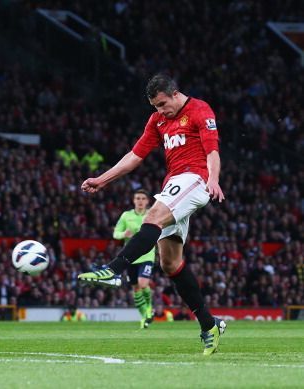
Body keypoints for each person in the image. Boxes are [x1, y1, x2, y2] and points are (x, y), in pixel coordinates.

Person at [78, 74, 226, 355]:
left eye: (162, 104)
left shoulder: (200, 110)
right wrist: (102, 179)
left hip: (196, 179)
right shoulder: (156, 120)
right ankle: (210, 325)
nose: (160, 111)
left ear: (174, 93)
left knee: (152, 218)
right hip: (174, 183)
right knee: (170, 264)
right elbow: (135, 156)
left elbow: (212, 150)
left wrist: (214, 179)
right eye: (155, 106)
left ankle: (114, 269)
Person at [113, 189, 155, 329]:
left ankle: (149, 307)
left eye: (143, 198)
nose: (140, 201)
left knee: (143, 284)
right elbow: (116, 233)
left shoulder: (152, 214)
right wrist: (124, 233)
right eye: (138, 198)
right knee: (136, 289)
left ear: (148, 201)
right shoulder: (126, 215)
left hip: (147, 255)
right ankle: (144, 317)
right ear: (133, 200)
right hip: (130, 257)